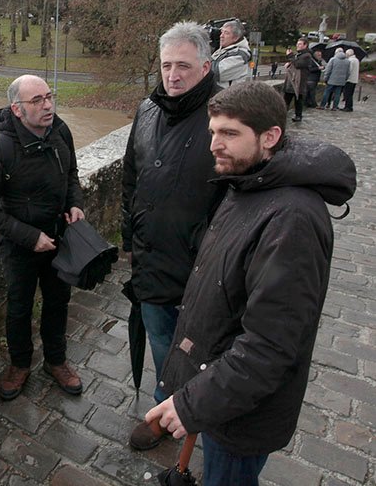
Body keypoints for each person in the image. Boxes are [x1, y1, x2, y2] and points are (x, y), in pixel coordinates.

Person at [146, 80, 356, 486]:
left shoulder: (292, 219)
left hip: (243, 414)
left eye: (229, 133)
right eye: (212, 132)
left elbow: (270, 347)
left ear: (270, 137)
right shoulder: (251, 180)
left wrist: (190, 405)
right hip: (223, 393)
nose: (214, 145)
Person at [122, 21, 224, 450]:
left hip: (203, 263)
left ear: (204, 67)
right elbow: (131, 177)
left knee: (201, 348)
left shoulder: (226, 116)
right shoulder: (147, 110)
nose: (173, 75)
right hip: (151, 258)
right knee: (161, 338)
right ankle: (164, 409)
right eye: (166, 65)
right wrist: (130, 238)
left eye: (183, 65)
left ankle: (195, 410)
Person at [0, 74, 85, 401]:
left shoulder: (61, 131)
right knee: (19, 307)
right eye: (37, 101)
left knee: (58, 301)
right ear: (17, 110)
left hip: (61, 237)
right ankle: (20, 364)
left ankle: (56, 361)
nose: (48, 105)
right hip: (20, 244)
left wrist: (76, 204)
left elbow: (72, 174)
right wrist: (30, 236)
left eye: (49, 97)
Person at [211, 20, 252, 88]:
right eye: (221, 32)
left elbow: (214, 73)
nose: (221, 36)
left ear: (235, 38)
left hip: (225, 97)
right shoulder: (224, 49)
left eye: (226, 33)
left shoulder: (240, 55)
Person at [282, 37, 311, 122]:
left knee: (298, 100)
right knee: (286, 99)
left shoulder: (307, 56)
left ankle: (298, 115)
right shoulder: (298, 54)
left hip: (299, 82)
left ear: (305, 45)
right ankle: (282, 114)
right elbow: (294, 63)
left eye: (300, 44)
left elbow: (298, 64)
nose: (297, 46)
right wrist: (289, 63)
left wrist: (290, 56)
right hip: (292, 80)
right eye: (297, 44)